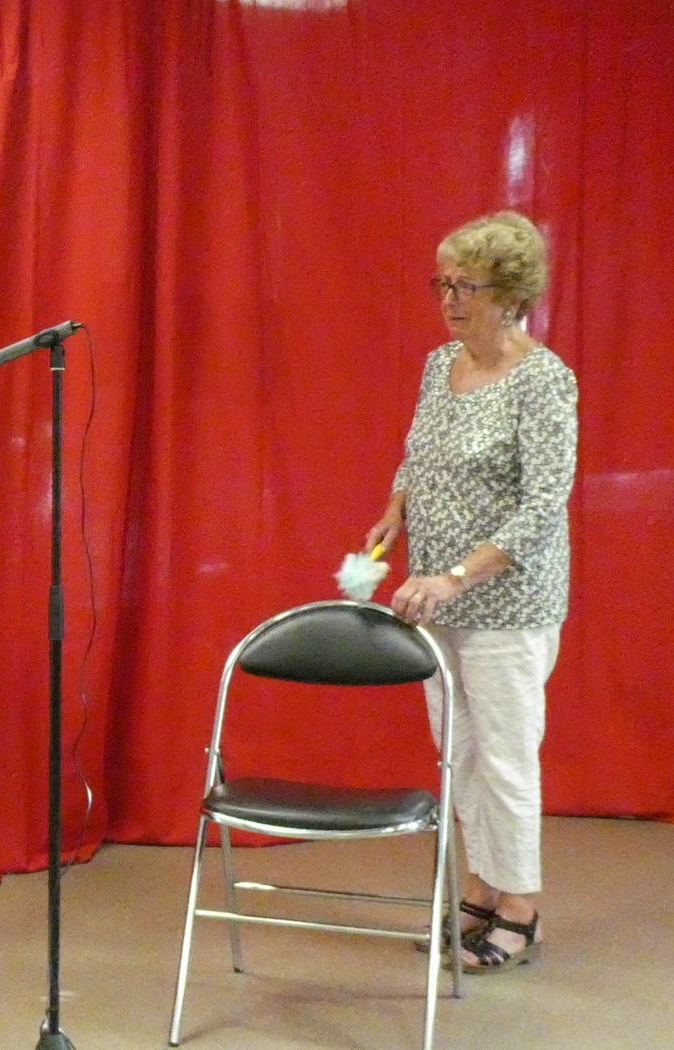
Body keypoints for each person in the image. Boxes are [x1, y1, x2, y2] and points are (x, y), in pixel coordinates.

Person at [365, 211, 577, 975]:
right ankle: (482, 892)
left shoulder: (543, 380)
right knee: (458, 750)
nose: (449, 299)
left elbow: (542, 504)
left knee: (505, 757)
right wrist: (395, 511)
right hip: (434, 598)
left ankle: (521, 908)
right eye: (443, 283)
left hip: (505, 604)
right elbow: (417, 454)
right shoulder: (439, 365)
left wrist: (455, 575)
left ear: (512, 293)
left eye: (467, 286)